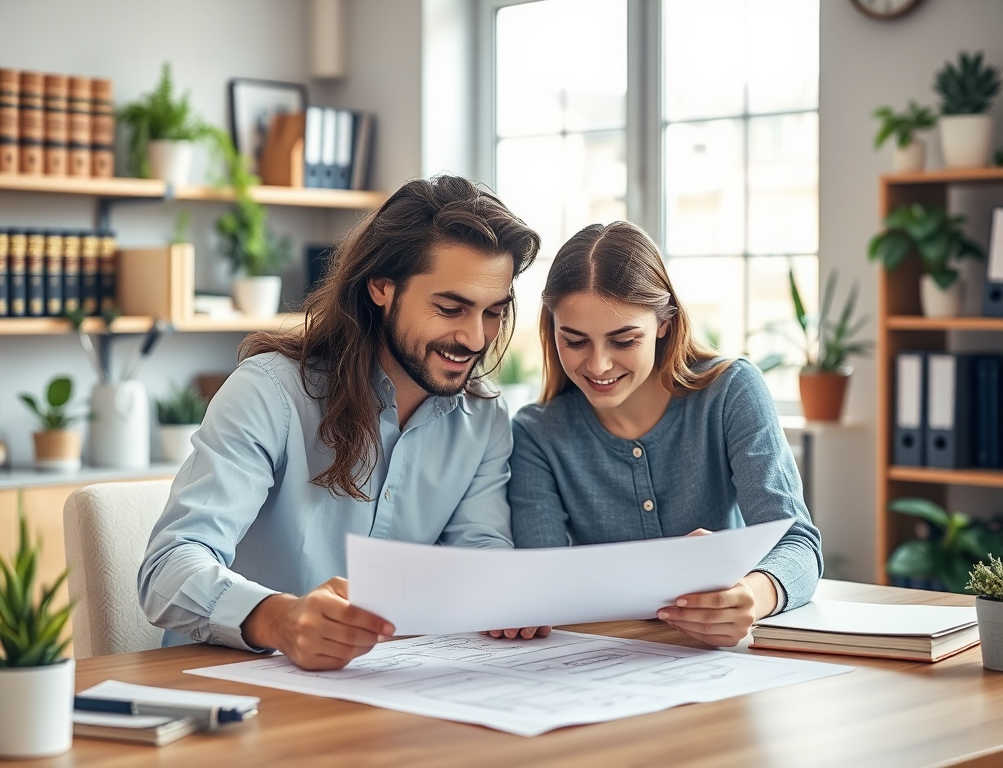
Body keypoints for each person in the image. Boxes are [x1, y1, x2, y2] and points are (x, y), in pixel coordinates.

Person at [138, 175, 543, 670]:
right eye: (450, 308)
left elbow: (478, 550)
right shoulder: (270, 392)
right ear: (382, 287)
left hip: (379, 694)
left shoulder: (483, 418)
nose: (475, 338)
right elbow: (167, 568)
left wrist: (504, 592)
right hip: (230, 687)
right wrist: (279, 619)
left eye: (494, 313)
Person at [506, 221, 823, 647]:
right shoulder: (535, 433)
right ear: (553, 329)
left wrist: (751, 595)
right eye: (575, 341)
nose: (598, 365)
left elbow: (797, 542)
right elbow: (542, 579)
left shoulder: (730, 392)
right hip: (603, 665)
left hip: (716, 664)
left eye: (623, 340)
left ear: (663, 323)